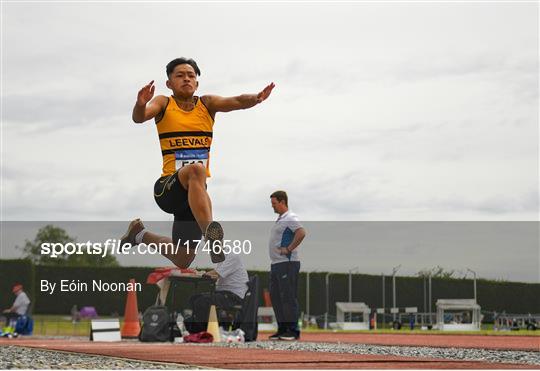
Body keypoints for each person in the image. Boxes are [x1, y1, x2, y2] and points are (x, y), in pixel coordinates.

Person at [121, 58, 275, 268]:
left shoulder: (207, 104)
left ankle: (139, 234)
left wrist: (256, 98)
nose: (186, 79)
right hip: (168, 189)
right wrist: (140, 103)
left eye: (191, 75)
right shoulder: (163, 103)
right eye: (180, 75)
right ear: (169, 83)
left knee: (183, 258)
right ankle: (212, 237)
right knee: (196, 170)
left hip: (194, 197)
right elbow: (139, 118)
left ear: (197, 83)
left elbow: (237, 101)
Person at [268, 190, 306, 341]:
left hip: (287, 264)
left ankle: (292, 330)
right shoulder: (280, 219)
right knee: (276, 297)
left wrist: (289, 249)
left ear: (283, 202)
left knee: (288, 297)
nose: (273, 207)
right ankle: (283, 328)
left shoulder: (290, 217)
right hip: (276, 264)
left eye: (274, 204)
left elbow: (301, 232)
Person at [185, 253, 249, 333]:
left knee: (201, 301)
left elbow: (216, 273)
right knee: (194, 298)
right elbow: (216, 275)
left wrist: (198, 273)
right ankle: (197, 328)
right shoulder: (222, 260)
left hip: (233, 296)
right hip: (225, 293)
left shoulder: (232, 257)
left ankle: (204, 331)